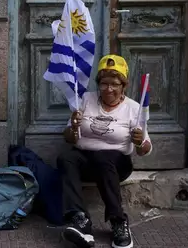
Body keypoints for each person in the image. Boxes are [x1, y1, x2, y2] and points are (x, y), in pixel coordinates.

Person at [58, 55, 152, 248]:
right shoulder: (85, 99)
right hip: (86, 159)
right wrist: (73, 127)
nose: (109, 89)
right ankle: (80, 220)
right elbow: (69, 137)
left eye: (115, 84)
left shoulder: (133, 108)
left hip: (116, 163)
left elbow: (145, 149)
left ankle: (118, 222)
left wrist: (140, 141)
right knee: (66, 157)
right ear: (98, 84)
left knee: (103, 158)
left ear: (123, 85)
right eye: (104, 83)